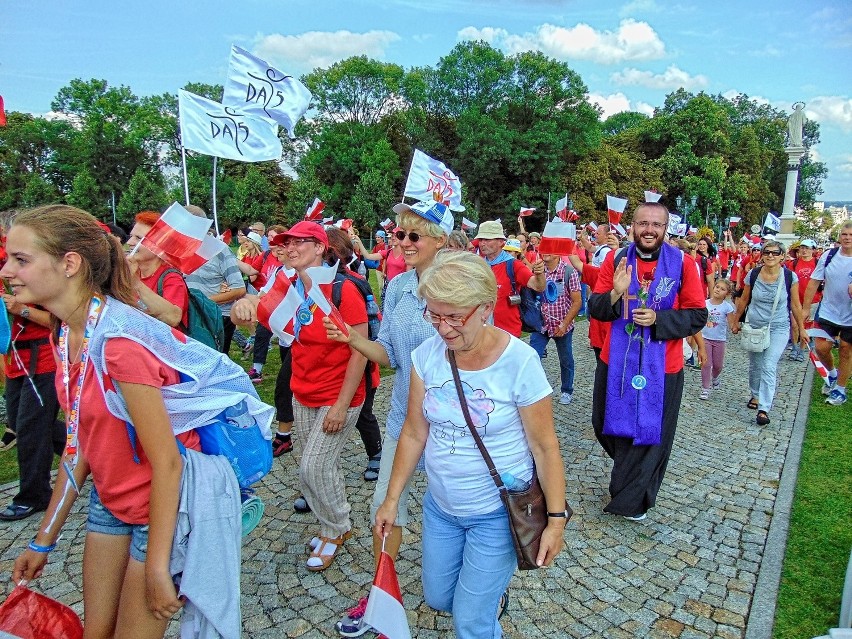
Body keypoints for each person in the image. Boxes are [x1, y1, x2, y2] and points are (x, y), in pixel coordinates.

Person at [5, 205, 256, 638]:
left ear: (70, 264)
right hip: (110, 498)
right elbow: (78, 442)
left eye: (21, 259)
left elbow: (169, 463)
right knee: (96, 631)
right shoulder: (66, 333)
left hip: (160, 509)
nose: (7, 269)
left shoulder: (119, 343)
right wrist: (43, 538)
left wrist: (159, 567)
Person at [374, 250, 567, 639]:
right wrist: (392, 499)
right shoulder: (425, 356)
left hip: (496, 513)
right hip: (442, 507)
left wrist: (557, 520)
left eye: (454, 317)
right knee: (439, 598)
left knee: (469, 622)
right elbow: (414, 431)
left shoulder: (520, 362)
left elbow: (546, 447)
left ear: (485, 307)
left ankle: (482, 611)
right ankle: (486, 598)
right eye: (434, 314)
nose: (443, 329)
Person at [323, 198, 451, 638]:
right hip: (403, 419)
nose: (403, 241)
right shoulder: (396, 288)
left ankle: (474, 586)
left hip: (453, 426)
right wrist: (351, 339)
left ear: (441, 241)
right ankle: (381, 597)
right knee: (385, 510)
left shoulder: (459, 285)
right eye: (399, 234)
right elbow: (390, 355)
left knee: (454, 512)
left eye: (414, 235)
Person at [232, 221, 368, 571]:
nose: (290, 249)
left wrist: (341, 404)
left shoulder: (342, 289)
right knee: (312, 471)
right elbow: (255, 305)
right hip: (303, 391)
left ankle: (338, 527)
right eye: (286, 243)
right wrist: (242, 306)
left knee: (315, 465)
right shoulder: (290, 287)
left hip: (339, 395)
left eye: (300, 243)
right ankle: (327, 525)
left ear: (321, 247)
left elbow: (361, 351)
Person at [588, 202, 707, 521]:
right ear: (632, 226)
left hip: (662, 368)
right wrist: (615, 293)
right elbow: (596, 308)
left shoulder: (683, 263)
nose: (649, 230)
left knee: (649, 433)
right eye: (643, 223)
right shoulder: (615, 259)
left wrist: (658, 318)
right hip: (616, 362)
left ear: (666, 228)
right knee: (604, 424)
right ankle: (629, 475)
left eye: (656, 224)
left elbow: (698, 314)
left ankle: (633, 498)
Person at [730, 240, 807, 424]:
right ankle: (755, 394)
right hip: (755, 326)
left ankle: (764, 408)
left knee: (769, 364)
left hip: (779, 327)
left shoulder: (790, 277)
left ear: (782, 256)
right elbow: (744, 299)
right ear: (762, 255)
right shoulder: (754, 274)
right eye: (767, 252)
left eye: (775, 252)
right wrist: (735, 320)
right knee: (756, 365)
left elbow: (795, 305)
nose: (770, 256)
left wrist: (802, 328)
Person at [0, 293, 62, 521]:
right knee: (21, 423)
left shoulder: (37, 270)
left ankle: (34, 495)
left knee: (31, 428)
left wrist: (22, 309)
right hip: (15, 358)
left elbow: (60, 321)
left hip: (43, 357)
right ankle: (89, 452)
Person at [183, 205, 246, 354]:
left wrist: (201, 301)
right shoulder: (180, 249)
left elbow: (239, 288)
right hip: (188, 316)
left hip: (216, 317)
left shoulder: (220, 249)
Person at [802, 221, 852, 406]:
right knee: (822, 348)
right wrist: (806, 308)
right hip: (828, 310)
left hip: (849, 314)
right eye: (844, 234)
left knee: (846, 349)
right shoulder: (829, 256)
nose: (847, 238)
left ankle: (840, 389)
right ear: (840, 236)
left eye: (851, 235)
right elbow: (814, 282)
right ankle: (831, 374)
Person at [474, 220, 545, 337]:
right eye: (481, 240)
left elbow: (538, 286)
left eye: (487, 239)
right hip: (482, 330)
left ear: (501, 242)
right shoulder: (479, 264)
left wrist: (539, 273)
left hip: (507, 331)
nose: (482, 243)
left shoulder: (513, 265)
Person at [530, 250, 582, 405]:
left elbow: (577, 301)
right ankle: (535, 390)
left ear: (558, 253)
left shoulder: (568, 272)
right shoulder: (538, 270)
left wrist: (565, 324)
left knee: (566, 359)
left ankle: (567, 390)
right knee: (532, 357)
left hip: (562, 324)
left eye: (550, 249)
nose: (545, 252)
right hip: (541, 325)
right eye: (544, 248)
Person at [126, 211, 190, 330]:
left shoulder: (171, 277)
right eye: (131, 237)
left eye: (139, 238)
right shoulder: (130, 271)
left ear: (159, 245)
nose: (129, 243)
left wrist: (136, 283)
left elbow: (173, 318)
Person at [699, 279, 735, 400]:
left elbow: (731, 323)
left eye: (722, 289)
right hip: (705, 338)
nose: (718, 290)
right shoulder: (704, 304)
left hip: (719, 339)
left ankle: (715, 377)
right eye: (717, 287)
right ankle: (705, 388)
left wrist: (735, 327)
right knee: (706, 363)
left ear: (727, 294)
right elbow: (699, 320)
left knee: (718, 365)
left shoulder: (727, 307)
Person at [787, 238, 819, 362]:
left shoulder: (817, 263)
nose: (804, 250)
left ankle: (801, 349)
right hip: (796, 299)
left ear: (813, 250)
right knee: (794, 325)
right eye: (802, 248)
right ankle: (794, 347)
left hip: (812, 300)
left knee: (806, 327)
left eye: (807, 248)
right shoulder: (793, 264)